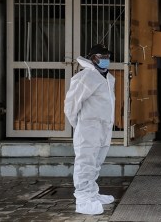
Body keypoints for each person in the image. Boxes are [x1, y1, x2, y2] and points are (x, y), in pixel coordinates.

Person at [64, 44, 115, 215]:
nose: (105, 59)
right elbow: (71, 105)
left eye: (107, 56)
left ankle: (92, 193)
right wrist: (80, 125)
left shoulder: (109, 78)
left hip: (103, 127)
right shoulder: (85, 77)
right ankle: (83, 200)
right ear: (92, 58)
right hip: (88, 127)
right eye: (101, 56)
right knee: (85, 162)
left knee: (96, 162)